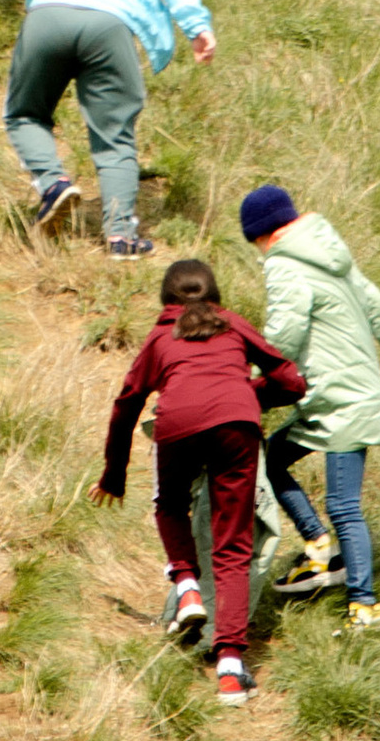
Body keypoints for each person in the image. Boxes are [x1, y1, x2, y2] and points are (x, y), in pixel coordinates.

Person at [95, 256, 306, 699]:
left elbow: (126, 404)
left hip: (178, 424)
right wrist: (245, 396)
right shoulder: (233, 324)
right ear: (216, 297)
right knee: (233, 547)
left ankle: (187, 586)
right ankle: (231, 668)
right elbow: (290, 380)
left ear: (165, 300)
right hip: (237, 428)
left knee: (170, 504)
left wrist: (114, 474)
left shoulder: (159, 337)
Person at [238, 186, 380, 632]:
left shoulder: (284, 263)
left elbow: (284, 335)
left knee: (343, 503)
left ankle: (362, 605)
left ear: (261, 235)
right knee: (269, 459)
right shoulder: (333, 257)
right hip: (343, 395)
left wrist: (240, 380)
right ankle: (318, 548)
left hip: (341, 400)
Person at [0, 0, 214, 260]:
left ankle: (53, 184)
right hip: (110, 28)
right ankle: (120, 237)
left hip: (50, 14)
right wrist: (197, 27)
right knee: (115, 136)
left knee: (25, 113)